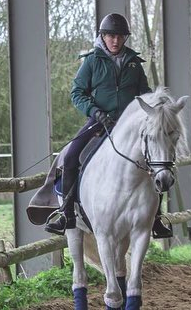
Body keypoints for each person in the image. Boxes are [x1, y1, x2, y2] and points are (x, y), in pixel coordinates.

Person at [45, 12, 171, 239]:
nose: (115, 40)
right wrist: (95, 112)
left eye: (120, 36)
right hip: (99, 121)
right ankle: (66, 213)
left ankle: (156, 218)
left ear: (125, 38)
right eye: (111, 36)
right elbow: (77, 93)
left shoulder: (134, 63)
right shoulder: (92, 61)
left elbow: (144, 94)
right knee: (71, 156)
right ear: (102, 37)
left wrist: (154, 110)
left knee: (157, 161)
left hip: (130, 126)